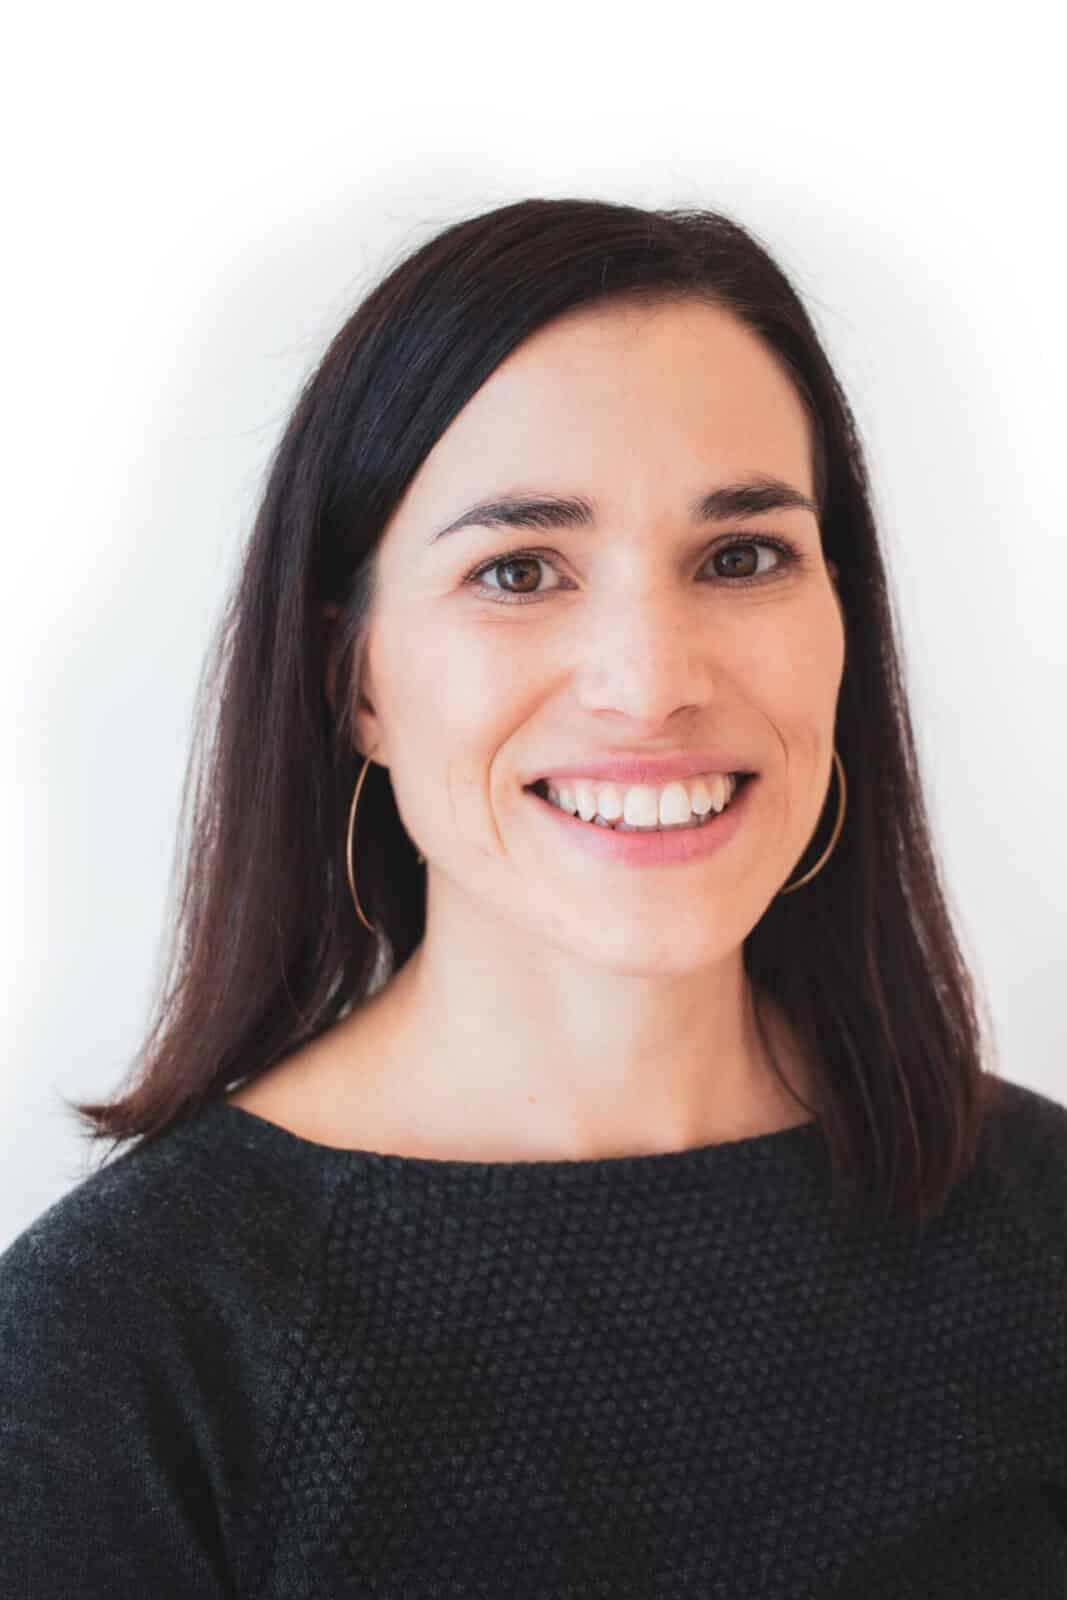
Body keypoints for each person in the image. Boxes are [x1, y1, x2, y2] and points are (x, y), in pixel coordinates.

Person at [1, 195, 1064, 1597]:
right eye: (519, 571)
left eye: (741, 555)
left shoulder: (1042, 1220)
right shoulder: (122, 1353)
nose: (651, 679)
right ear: (354, 680)